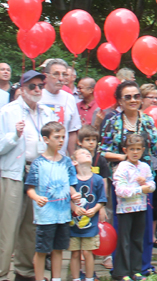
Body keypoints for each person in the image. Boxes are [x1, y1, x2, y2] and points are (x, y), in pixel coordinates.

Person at [100, 80, 157, 275]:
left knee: (143, 226)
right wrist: (125, 158)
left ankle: (142, 267)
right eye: (127, 97)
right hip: (121, 182)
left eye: (136, 96)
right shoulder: (112, 121)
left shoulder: (147, 120)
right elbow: (102, 150)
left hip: (144, 182)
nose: (133, 100)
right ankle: (121, 269)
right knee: (122, 227)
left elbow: (156, 150)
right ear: (120, 101)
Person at [0, 70, 57, 281]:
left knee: (31, 227)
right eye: (32, 86)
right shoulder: (8, 112)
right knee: (8, 226)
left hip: (38, 174)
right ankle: (2, 272)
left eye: (40, 86)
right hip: (13, 174)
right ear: (22, 89)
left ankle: (25, 272)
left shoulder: (47, 113)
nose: (37, 90)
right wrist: (13, 136)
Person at [25, 121, 80, 281]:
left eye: (63, 137)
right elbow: (29, 187)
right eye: (57, 137)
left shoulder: (67, 162)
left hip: (63, 214)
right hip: (45, 216)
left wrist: (74, 195)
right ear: (46, 139)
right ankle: (39, 278)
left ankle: (56, 278)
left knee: (59, 248)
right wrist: (36, 197)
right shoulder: (38, 163)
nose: (61, 140)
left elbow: (71, 184)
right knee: (42, 250)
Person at [112, 134, 155, 281]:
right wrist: (139, 189)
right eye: (132, 149)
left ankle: (136, 270)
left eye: (138, 149)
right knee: (124, 241)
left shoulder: (145, 167)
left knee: (137, 239)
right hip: (125, 210)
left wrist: (146, 185)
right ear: (125, 150)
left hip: (140, 208)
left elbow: (152, 185)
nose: (135, 152)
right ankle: (121, 272)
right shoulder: (122, 168)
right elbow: (120, 190)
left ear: (143, 150)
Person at [69, 148, 107, 281]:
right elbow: (66, 198)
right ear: (74, 161)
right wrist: (74, 207)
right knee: (74, 253)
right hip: (73, 225)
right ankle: (75, 278)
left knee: (88, 252)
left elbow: (102, 199)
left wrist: (95, 210)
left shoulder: (97, 179)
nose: (87, 154)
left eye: (88, 153)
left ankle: (89, 278)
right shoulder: (71, 180)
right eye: (82, 153)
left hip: (91, 225)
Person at [140, 83, 157, 248]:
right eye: (150, 97)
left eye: (156, 97)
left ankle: (153, 235)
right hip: (141, 167)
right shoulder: (139, 119)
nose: (154, 100)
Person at [41, 59, 82, 156]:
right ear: (46, 76)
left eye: (64, 74)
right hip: (39, 156)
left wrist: (72, 157)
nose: (61, 78)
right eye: (56, 74)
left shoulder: (69, 98)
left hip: (61, 157)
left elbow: (72, 131)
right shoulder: (38, 96)